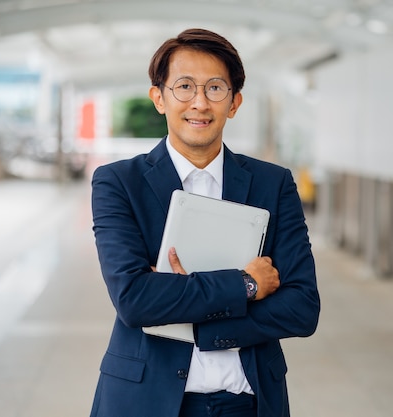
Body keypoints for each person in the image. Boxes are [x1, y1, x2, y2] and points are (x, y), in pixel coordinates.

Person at [89, 28, 321, 417]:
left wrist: (189, 314)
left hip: (249, 403)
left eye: (215, 88)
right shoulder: (117, 182)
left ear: (234, 103)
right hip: (146, 403)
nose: (199, 102)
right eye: (184, 86)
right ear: (158, 97)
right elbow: (134, 299)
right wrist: (246, 285)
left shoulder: (272, 183)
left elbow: (301, 307)